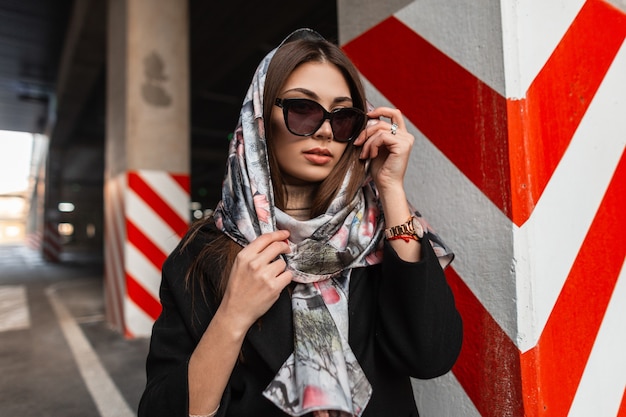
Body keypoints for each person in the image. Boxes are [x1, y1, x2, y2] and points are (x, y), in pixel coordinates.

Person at [138, 28, 462, 417]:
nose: (325, 129)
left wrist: (391, 189)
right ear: (260, 118)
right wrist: (232, 316)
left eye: (343, 117)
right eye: (303, 109)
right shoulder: (204, 253)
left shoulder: (378, 234)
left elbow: (431, 356)